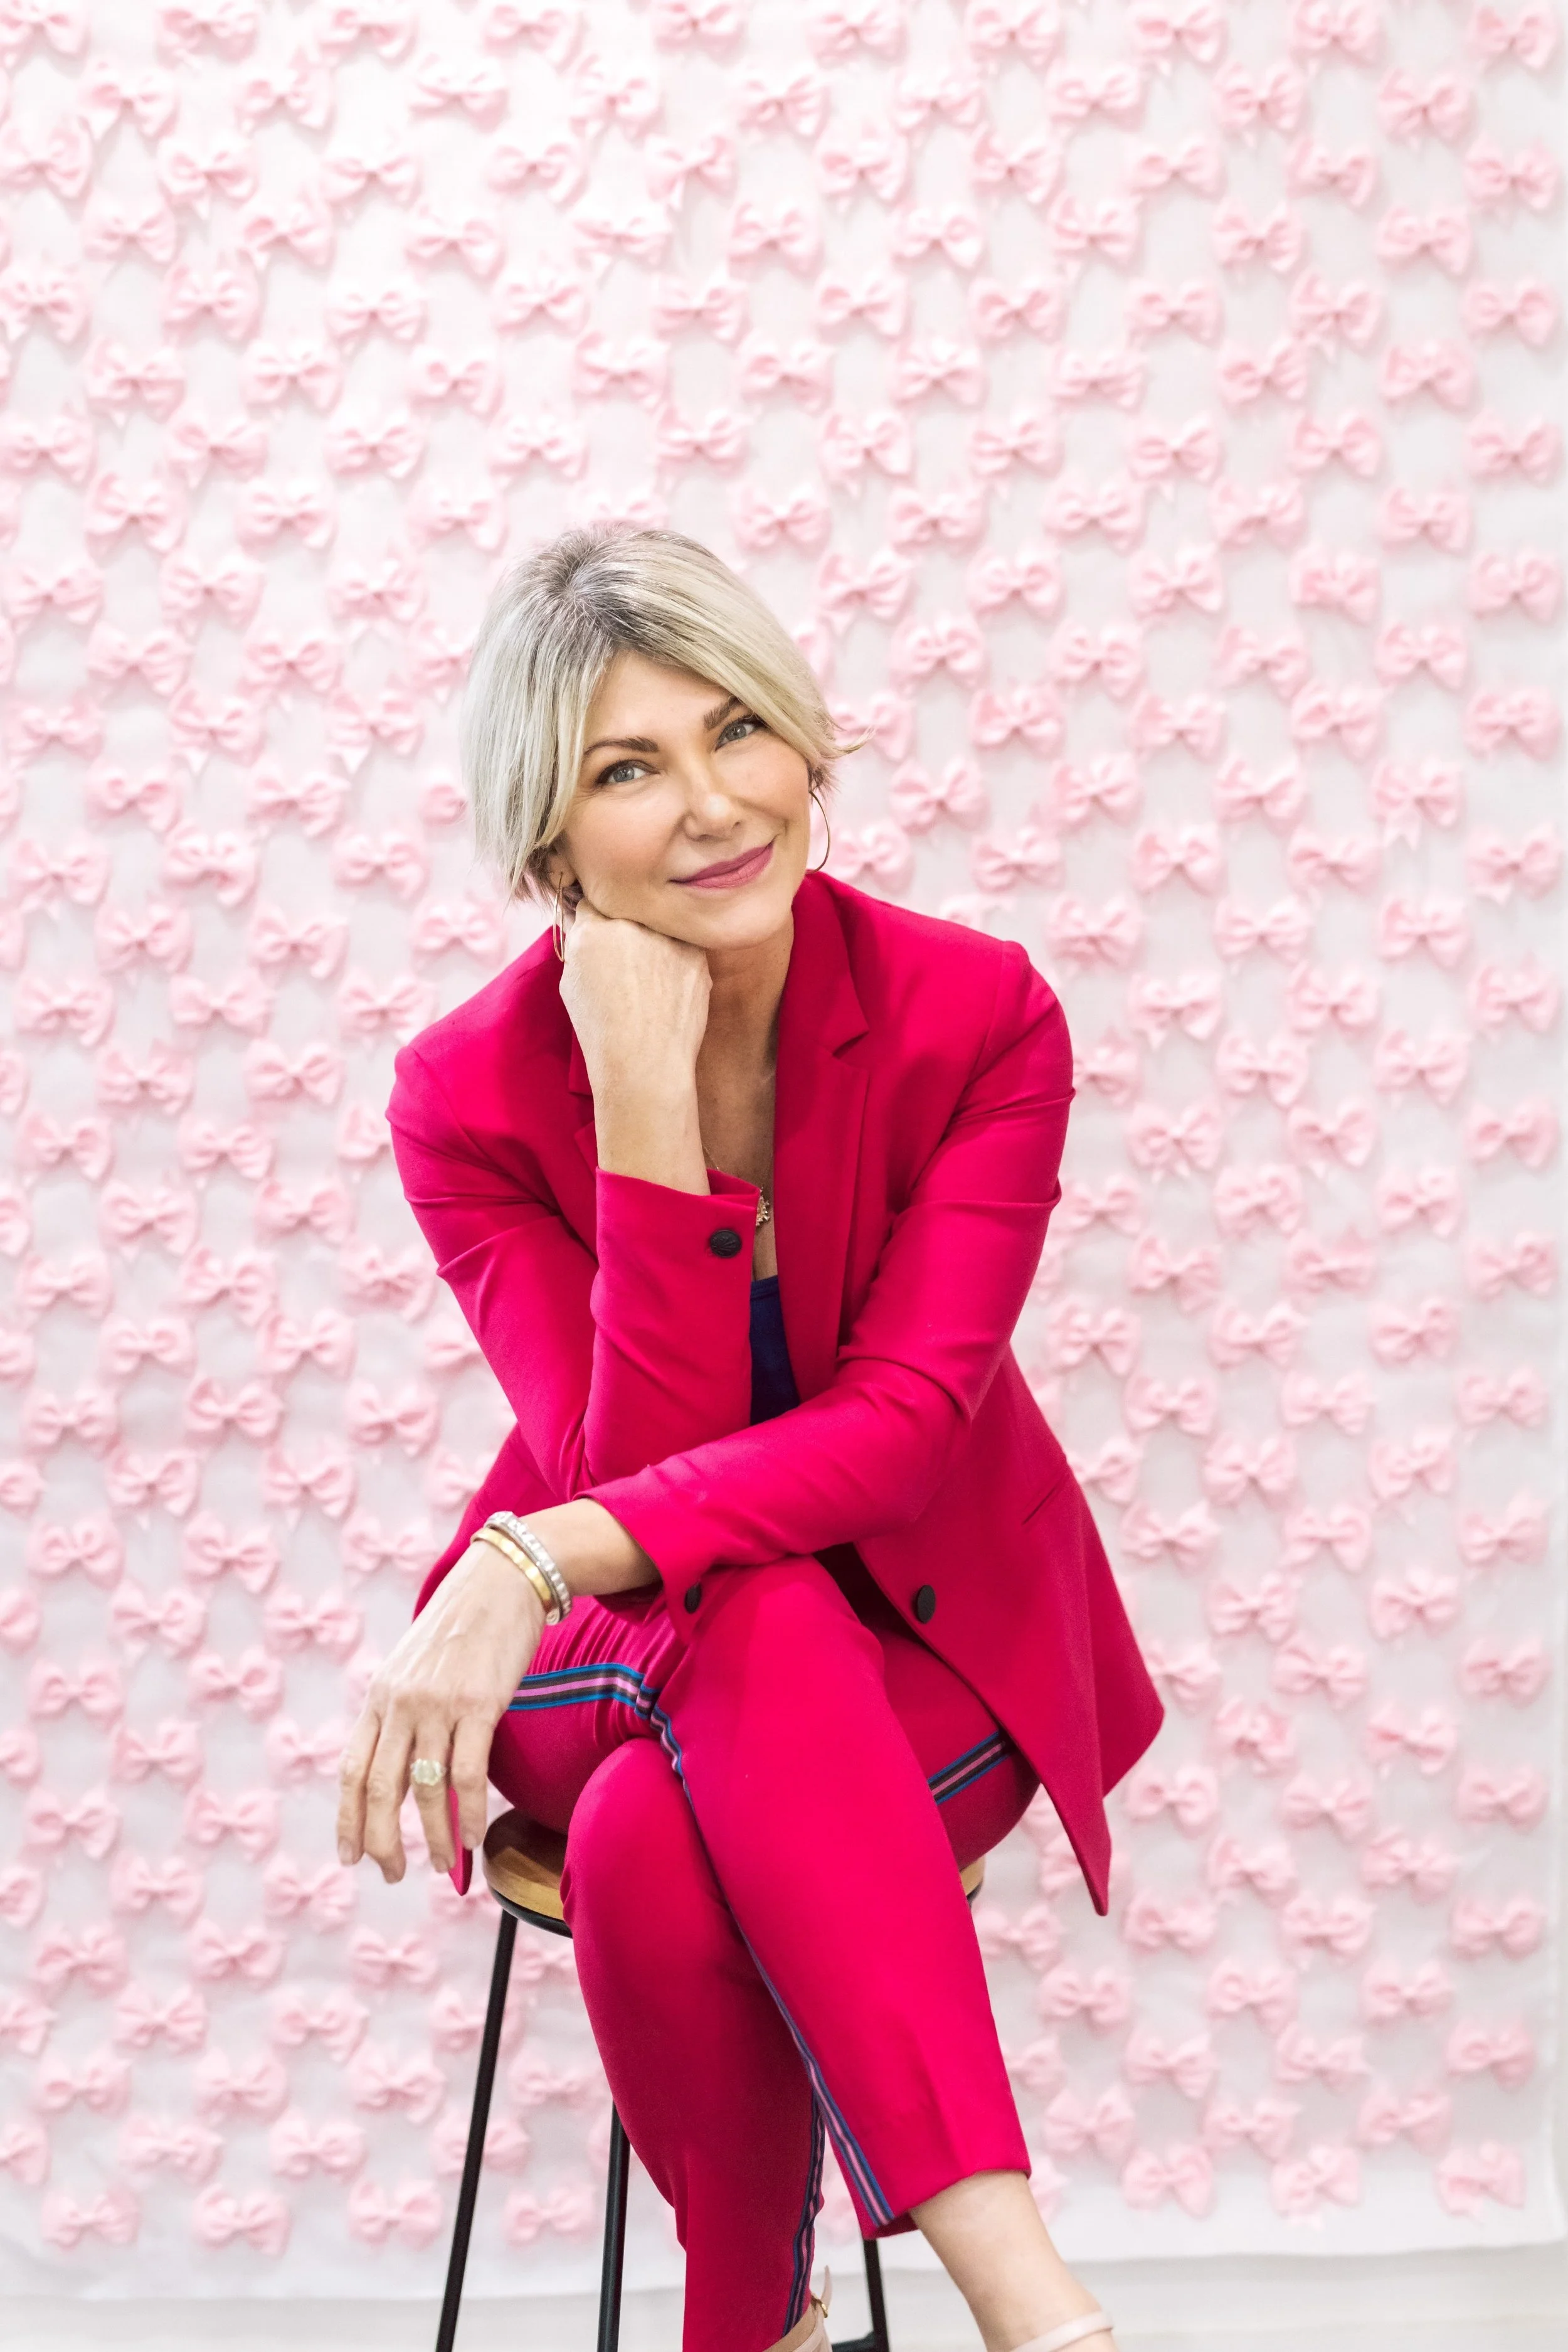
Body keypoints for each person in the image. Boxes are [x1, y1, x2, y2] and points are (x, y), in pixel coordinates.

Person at [336, 526, 1163, 2352]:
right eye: (629, 768)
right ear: (545, 838)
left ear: (805, 741)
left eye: (738, 732)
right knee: (751, 1616)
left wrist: (520, 1557)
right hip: (607, 1646)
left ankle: (751, 2333)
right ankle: (1044, 2321)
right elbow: (629, 1452)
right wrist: (643, 1100)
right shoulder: (463, 1096)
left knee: (661, 1819)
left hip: (921, 1640)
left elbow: (889, 1437)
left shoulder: (978, 1016)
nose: (715, 806)